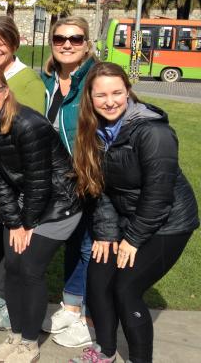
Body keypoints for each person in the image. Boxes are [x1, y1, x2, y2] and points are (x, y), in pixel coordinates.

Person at [69, 62, 199, 363]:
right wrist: (106, 232)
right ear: (90, 97)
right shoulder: (93, 130)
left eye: (117, 92)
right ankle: (105, 351)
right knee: (98, 278)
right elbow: (97, 188)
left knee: (126, 288)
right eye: (101, 95)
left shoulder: (153, 132)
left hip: (168, 222)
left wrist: (133, 239)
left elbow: (159, 195)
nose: (110, 101)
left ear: (128, 92)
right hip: (127, 216)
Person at [0, 64, 81, 363]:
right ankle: (16, 335)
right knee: (12, 268)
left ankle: (29, 344)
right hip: (24, 202)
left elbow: (40, 180)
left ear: (6, 92)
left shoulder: (28, 124)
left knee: (29, 269)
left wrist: (26, 224)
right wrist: (14, 222)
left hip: (58, 203)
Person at [0, 16, 46, 331]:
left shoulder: (27, 80)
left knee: (17, 241)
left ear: (13, 43)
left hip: (18, 175)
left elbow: (30, 132)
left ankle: (11, 299)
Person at [40, 16, 98, 348]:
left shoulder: (93, 79)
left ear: (86, 43)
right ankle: (71, 304)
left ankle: (87, 317)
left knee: (91, 245)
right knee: (75, 242)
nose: (66, 44)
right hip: (61, 181)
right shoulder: (48, 80)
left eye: (75, 39)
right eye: (60, 38)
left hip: (91, 176)